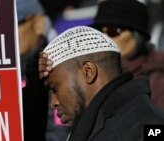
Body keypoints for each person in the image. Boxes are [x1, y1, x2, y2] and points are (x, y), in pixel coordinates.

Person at [38, 26, 164, 141]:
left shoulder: (144, 125)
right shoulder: (95, 123)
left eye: (54, 88)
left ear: (88, 72)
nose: (53, 102)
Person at [90, 0, 164, 111]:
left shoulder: (158, 76)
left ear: (137, 35)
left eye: (113, 31)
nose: (103, 39)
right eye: (99, 33)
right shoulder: (91, 73)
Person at [16, 0, 52, 140]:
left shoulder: (52, 66)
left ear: (39, 24)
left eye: (15, 24)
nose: (7, 31)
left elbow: (59, 133)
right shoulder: (2, 68)